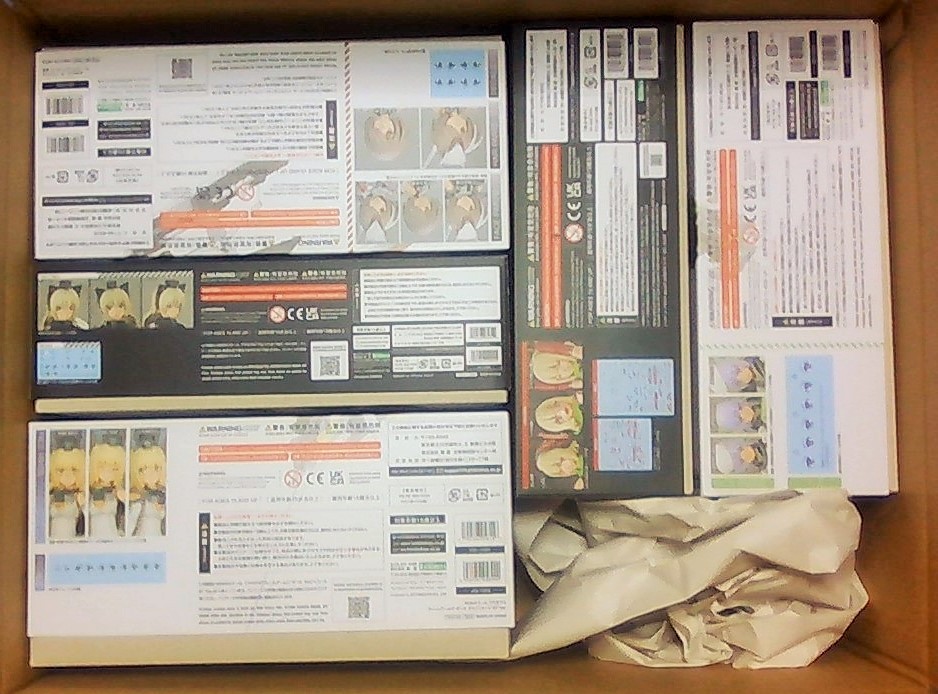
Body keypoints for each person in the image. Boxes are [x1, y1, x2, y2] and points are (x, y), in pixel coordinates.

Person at [88, 433, 126, 538]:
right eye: (102, 466)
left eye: (114, 468)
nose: (107, 471)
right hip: (93, 540)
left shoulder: (117, 493)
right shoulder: (87, 496)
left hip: (112, 538)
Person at [48, 434, 86, 540]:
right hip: (52, 541)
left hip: (72, 542)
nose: (67, 476)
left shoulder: (79, 497)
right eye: (60, 470)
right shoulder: (50, 496)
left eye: (74, 470)